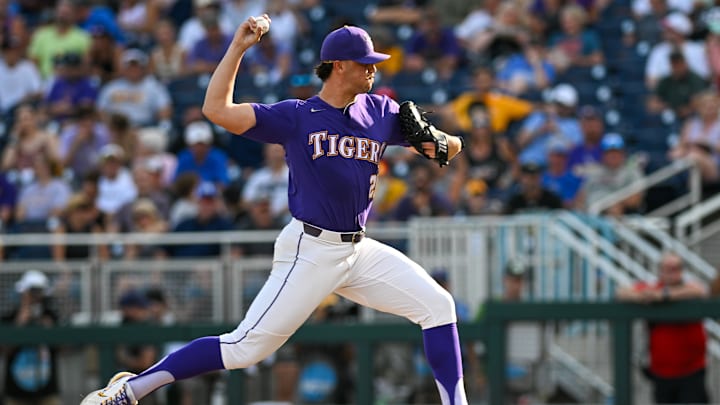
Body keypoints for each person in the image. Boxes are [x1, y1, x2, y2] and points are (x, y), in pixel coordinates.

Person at [81, 19, 469, 405]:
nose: (373, 68)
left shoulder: (381, 111)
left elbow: (452, 148)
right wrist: (237, 47)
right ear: (338, 66)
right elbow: (216, 109)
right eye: (364, 61)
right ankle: (129, 389)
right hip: (311, 249)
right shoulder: (297, 115)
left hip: (358, 250)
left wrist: (436, 140)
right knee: (242, 349)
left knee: (438, 306)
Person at [615, 252, 709, 404]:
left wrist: (663, 296)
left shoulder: (689, 287)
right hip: (662, 375)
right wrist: (642, 297)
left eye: (675, 268)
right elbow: (621, 292)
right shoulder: (653, 288)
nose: (671, 272)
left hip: (692, 372)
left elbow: (700, 290)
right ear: (660, 270)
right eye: (667, 268)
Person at [1, 270, 61, 405]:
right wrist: (19, 324)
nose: (35, 297)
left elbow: (64, 348)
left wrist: (49, 329)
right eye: (31, 293)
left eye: (38, 292)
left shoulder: (50, 316)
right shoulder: (10, 317)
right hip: (16, 393)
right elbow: (4, 351)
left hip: (47, 392)